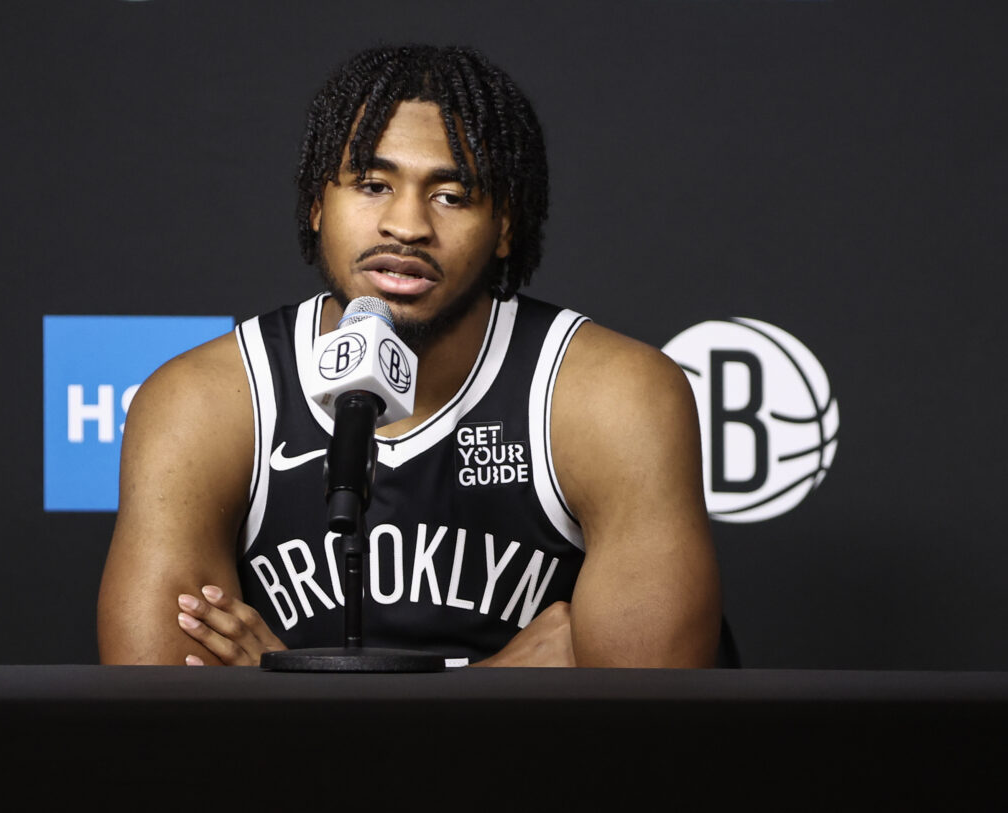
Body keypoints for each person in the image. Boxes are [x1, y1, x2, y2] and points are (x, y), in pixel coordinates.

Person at [97, 44, 721, 668]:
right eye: (372, 185)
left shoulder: (613, 396)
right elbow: (163, 725)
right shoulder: (202, 403)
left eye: (451, 195)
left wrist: (284, 690)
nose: (407, 225)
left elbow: (647, 726)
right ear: (318, 204)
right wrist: (494, 684)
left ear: (505, 226)